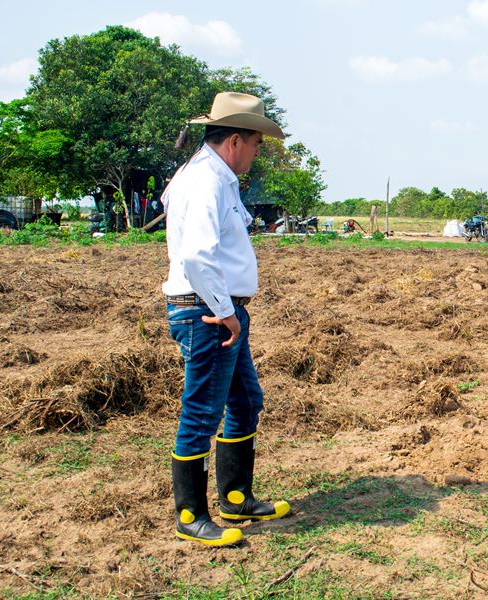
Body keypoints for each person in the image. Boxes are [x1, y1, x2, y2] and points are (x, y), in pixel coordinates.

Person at [161, 92, 291, 546]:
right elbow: (197, 256)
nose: (257, 153)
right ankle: (191, 516)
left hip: (217, 310)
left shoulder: (213, 177)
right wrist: (224, 312)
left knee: (245, 401)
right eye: (256, 144)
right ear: (235, 139)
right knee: (202, 411)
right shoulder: (205, 181)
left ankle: (236, 497)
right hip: (207, 314)